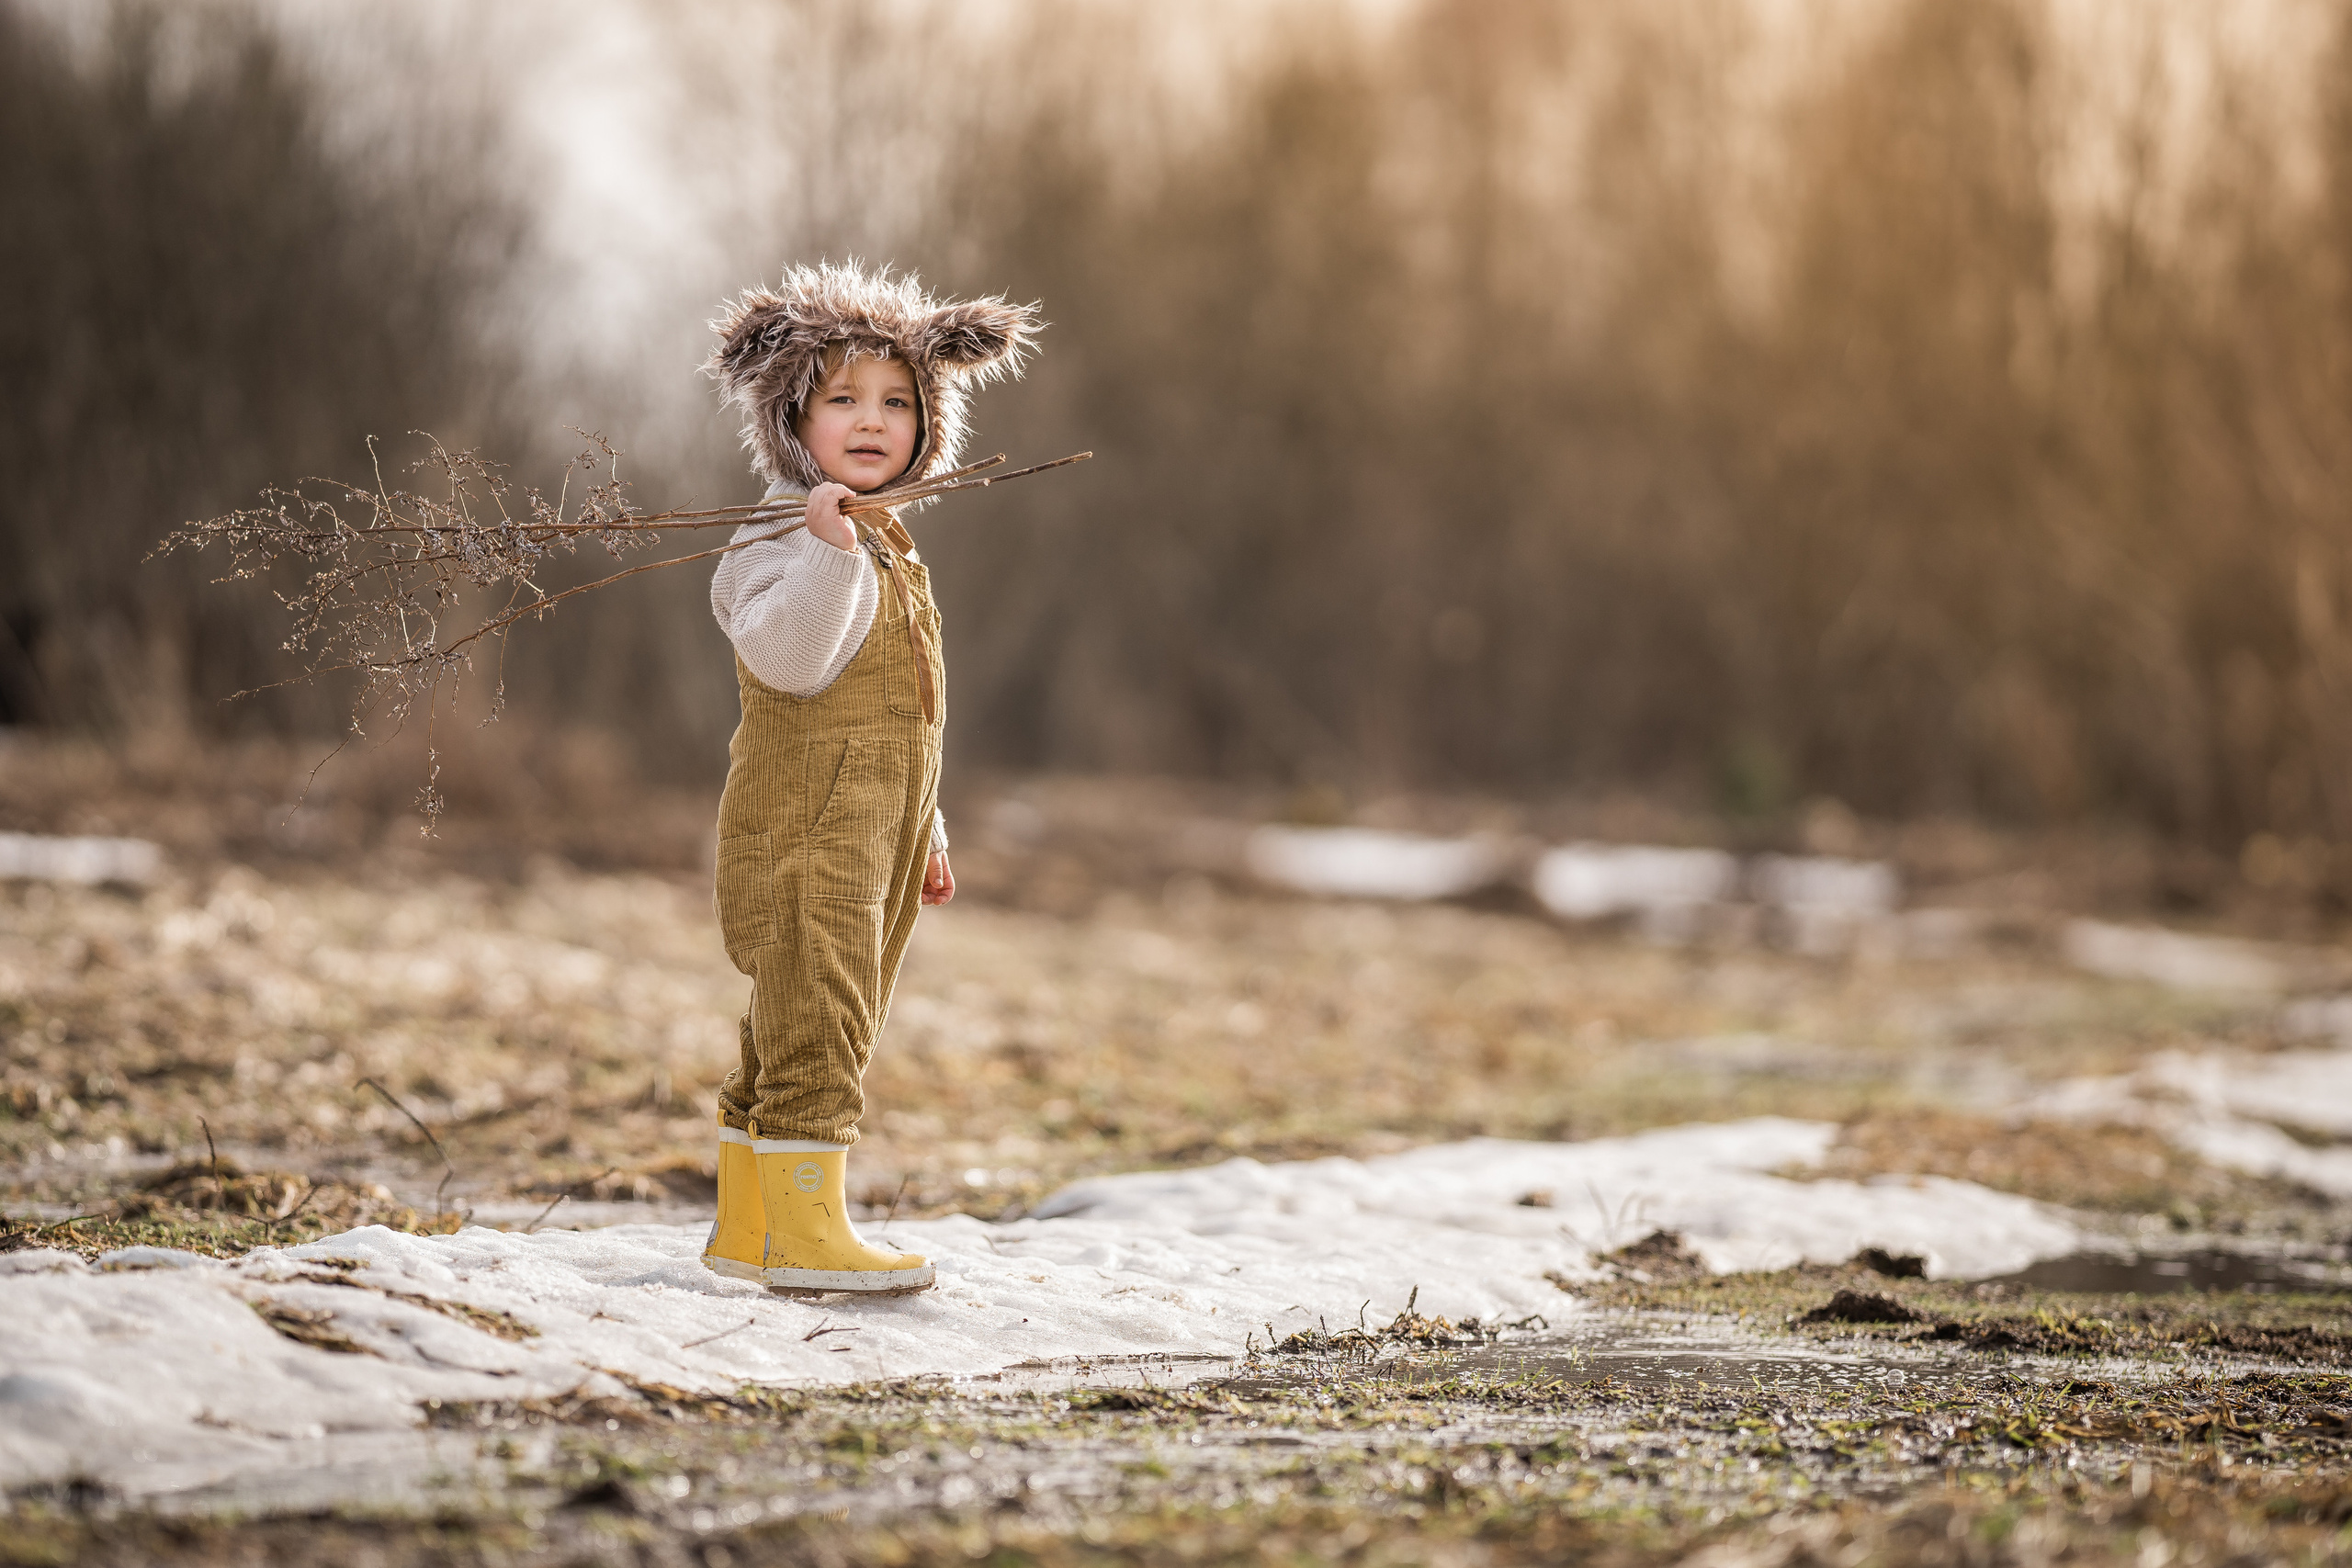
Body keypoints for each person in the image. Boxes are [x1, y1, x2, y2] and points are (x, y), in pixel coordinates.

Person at [695, 262, 1038, 1294]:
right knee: (817, 1008)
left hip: (876, 824)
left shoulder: (889, 545)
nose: (871, 419)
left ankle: (750, 1224)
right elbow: (794, 661)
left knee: (816, 1005)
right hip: (805, 825)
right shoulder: (775, 539)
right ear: (789, 416)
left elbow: (907, 706)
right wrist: (827, 552)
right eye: (841, 398)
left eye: (897, 401)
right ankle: (804, 1235)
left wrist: (924, 824)